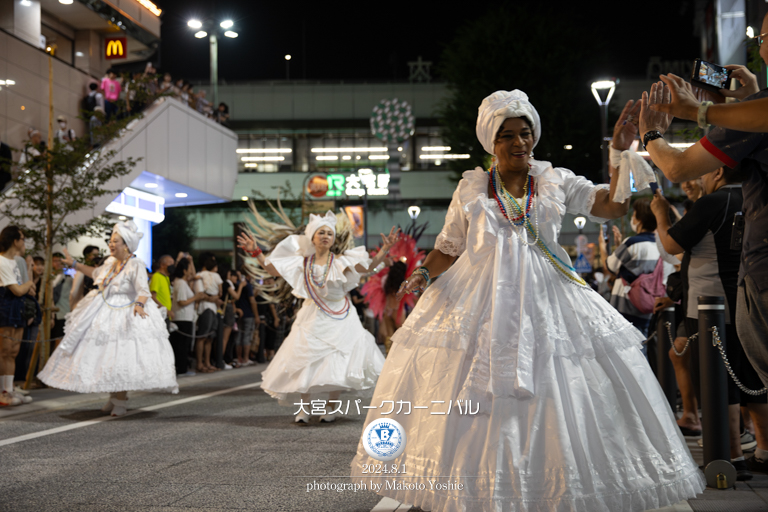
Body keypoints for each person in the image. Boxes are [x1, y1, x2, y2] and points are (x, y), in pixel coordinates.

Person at [349, 90, 705, 510]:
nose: (520, 143)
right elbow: (450, 245)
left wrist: (619, 150)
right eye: (508, 135)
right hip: (479, 296)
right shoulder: (472, 187)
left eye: (525, 133)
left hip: (548, 295)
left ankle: (550, 486)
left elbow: (610, 206)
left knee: (557, 387)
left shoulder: (555, 178)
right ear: (491, 142)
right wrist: (424, 273)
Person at [639, 11, 768, 471]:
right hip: (738, 288)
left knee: (739, 376)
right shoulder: (757, 110)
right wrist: (747, 99)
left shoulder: (715, 200)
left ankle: (730, 453)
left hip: (748, 283)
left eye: (762, 34)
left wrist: (653, 132)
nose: (758, 42)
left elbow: (676, 168)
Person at [652, 164, 768, 481]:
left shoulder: (714, 202)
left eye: (703, 172)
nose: (700, 178)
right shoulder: (756, 195)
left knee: (719, 383)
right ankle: (764, 452)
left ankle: (729, 457)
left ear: (717, 172)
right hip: (751, 300)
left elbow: (672, 244)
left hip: (709, 307)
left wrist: (661, 213)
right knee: (755, 380)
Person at [237, 212, 394, 424]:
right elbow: (271, 269)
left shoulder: (341, 261)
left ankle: (331, 406)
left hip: (341, 316)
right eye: (321, 232)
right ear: (312, 237)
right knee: (305, 359)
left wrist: (384, 249)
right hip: (312, 315)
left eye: (330, 233)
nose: (326, 236)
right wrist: (255, 252)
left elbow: (367, 267)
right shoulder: (302, 263)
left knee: (339, 361)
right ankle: (305, 407)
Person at [38, 221, 178, 416]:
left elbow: (143, 290)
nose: (111, 245)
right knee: (107, 356)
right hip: (104, 310)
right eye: (111, 241)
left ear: (126, 244)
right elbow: (95, 273)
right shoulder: (110, 263)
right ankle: (113, 398)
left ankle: (121, 400)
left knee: (121, 355)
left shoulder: (135, 263)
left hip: (125, 313)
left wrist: (139, 305)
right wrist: (74, 264)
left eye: (116, 241)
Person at [605, 197, 660, 337]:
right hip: (645, 305)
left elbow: (610, 266)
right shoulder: (660, 245)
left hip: (624, 306)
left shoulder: (632, 242)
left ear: (640, 219)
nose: (632, 218)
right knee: (643, 347)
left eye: (634, 214)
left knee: (626, 351)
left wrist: (602, 246)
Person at [0, 226, 36, 407]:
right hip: (6, 308)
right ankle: (3, 392)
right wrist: (29, 282)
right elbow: (17, 289)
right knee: (4, 352)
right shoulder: (2, 261)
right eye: (22, 239)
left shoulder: (15, 261)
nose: (24, 243)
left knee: (13, 352)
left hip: (17, 308)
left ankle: (9, 389)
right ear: (15, 241)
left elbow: (24, 289)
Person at [170, 257, 206, 376]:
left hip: (186, 317)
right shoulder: (180, 283)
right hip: (182, 318)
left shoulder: (182, 282)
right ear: (184, 271)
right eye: (189, 269)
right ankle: (181, 369)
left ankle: (183, 367)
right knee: (182, 345)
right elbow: (181, 301)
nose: (191, 272)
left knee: (184, 344)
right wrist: (196, 297)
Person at [193, 255, 222, 373]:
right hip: (209, 307)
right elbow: (220, 292)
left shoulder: (201, 274)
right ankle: (202, 363)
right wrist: (214, 298)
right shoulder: (216, 276)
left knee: (207, 337)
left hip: (207, 305)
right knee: (205, 337)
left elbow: (194, 278)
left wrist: (208, 297)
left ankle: (205, 363)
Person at [69, 245, 101, 311]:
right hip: (86, 305)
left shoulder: (100, 270)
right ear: (87, 256)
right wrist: (72, 306)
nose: (97, 257)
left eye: (98, 255)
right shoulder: (81, 271)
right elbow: (74, 291)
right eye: (94, 255)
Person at [150, 254, 173, 321]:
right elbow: (152, 296)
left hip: (166, 314)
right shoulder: (157, 276)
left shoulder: (166, 277)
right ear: (162, 265)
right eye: (170, 263)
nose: (172, 265)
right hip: (160, 315)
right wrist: (165, 309)